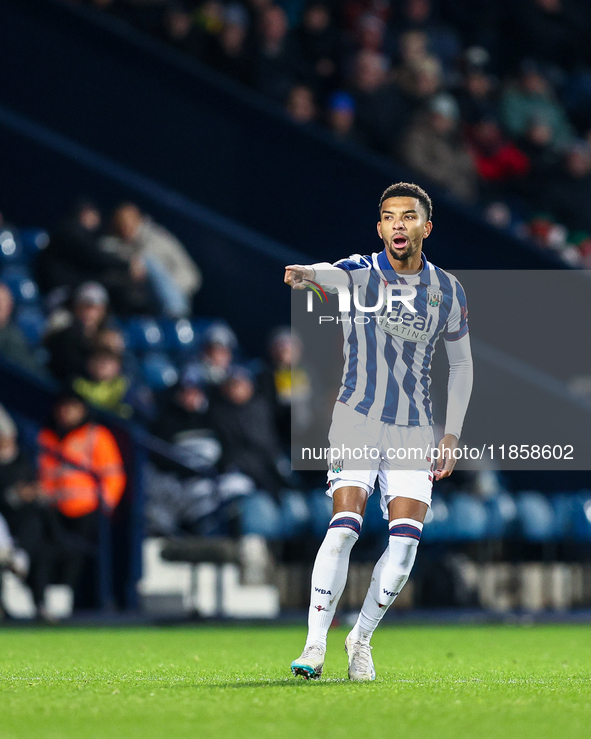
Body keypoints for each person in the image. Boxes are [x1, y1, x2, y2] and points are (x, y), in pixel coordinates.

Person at [284, 182, 473, 681]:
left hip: (414, 429)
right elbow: (329, 274)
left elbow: (461, 365)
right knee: (344, 526)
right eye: (388, 217)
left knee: (406, 543)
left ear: (425, 227)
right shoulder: (361, 272)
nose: (397, 225)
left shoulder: (448, 290)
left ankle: (360, 639)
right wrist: (308, 275)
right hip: (357, 418)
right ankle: (313, 646)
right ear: (380, 227)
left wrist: (451, 434)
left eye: (407, 217)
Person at [37, 394, 126, 600]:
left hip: (88, 510)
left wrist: (105, 505)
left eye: (72, 407)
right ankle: (46, 601)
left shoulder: (96, 435)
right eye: (63, 407)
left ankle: (73, 602)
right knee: (43, 549)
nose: (66, 412)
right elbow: (45, 474)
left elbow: (114, 476)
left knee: (80, 556)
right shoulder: (47, 437)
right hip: (54, 509)